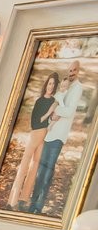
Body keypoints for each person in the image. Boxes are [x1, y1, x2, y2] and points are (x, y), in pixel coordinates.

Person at [28, 71, 88, 215]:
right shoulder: (57, 97)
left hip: (57, 138)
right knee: (41, 171)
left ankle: (39, 204)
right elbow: (51, 113)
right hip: (47, 136)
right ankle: (33, 204)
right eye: (62, 85)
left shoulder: (66, 99)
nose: (63, 87)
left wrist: (57, 111)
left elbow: (65, 112)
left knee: (48, 171)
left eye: (66, 86)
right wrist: (51, 116)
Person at [9, 72, 58, 213]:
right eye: (49, 83)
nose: (51, 86)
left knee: (35, 168)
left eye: (54, 84)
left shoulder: (55, 101)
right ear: (46, 85)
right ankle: (12, 200)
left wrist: (53, 116)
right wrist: (49, 113)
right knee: (24, 165)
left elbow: (54, 118)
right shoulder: (40, 101)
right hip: (36, 133)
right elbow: (35, 121)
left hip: (45, 135)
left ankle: (23, 199)